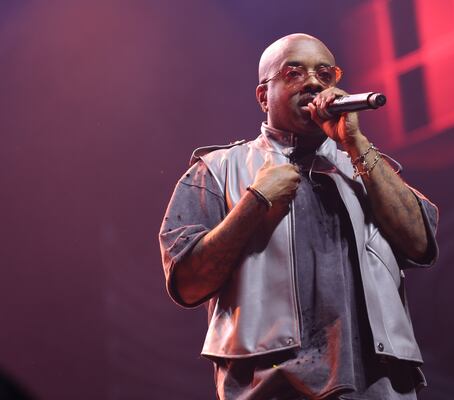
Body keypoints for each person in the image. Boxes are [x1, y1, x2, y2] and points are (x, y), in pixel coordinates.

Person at [159, 33, 439, 399]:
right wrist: (255, 202)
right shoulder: (216, 172)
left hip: (377, 389)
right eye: (293, 73)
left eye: (325, 75)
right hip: (271, 389)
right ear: (263, 96)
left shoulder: (368, 167)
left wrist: (356, 144)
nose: (312, 82)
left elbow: (421, 244)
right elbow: (188, 284)